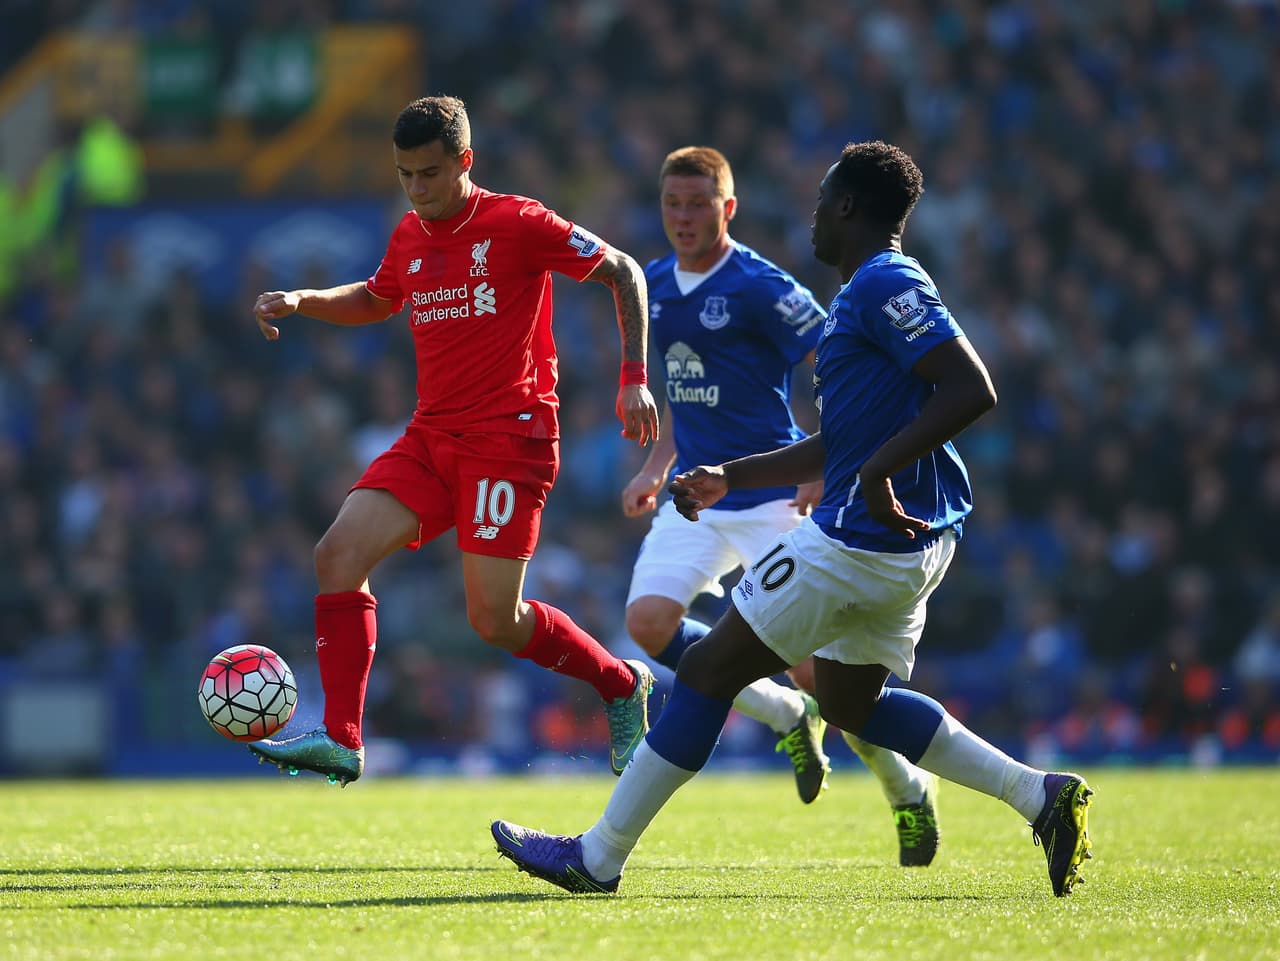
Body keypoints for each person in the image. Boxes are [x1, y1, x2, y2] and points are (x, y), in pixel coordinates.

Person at [491, 140, 1094, 897]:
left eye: (819, 201)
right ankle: (1041, 796)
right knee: (850, 702)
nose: (809, 216)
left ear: (846, 207)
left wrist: (874, 473)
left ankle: (598, 855)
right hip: (909, 539)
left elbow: (971, 387)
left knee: (708, 670)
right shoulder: (863, 294)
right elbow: (841, 437)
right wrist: (731, 477)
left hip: (860, 538)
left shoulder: (882, 283)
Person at [246, 95, 661, 785]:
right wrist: (303, 301)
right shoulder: (410, 235)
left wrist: (634, 377)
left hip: (509, 440)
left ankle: (621, 685)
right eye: (406, 175)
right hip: (432, 437)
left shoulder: (518, 222)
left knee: (495, 620)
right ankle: (345, 738)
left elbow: (625, 270)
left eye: (430, 174)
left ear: (465, 162)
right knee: (336, 552)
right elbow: (379, 297)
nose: (417, 189)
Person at [622, 145, 942, 863]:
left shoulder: (763, 285)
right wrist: (655, 464)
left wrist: (830, 465)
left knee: (823, 673)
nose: (683, 217)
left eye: (699, 203)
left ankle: (906, 787)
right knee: (647, 620)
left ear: (727, 207)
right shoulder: (655, 284)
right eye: (673, 204)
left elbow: (835, 367)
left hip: (769, 490)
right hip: (700, 490)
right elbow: (684, 386)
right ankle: (782, 714)